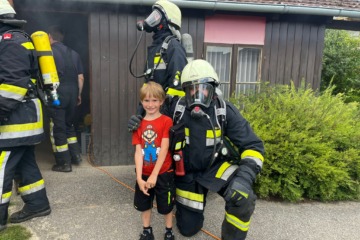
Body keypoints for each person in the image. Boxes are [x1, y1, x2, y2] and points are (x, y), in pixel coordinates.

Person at [0, 0, 51, 231]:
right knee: (25, 164)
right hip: (22, 118)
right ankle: (38, 205)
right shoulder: (14, 39)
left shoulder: (10, 42)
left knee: (2, 168)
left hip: (16, 119)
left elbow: (13, 84)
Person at [128, 0, 187, 131]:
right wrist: (139, 116)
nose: (152, 19)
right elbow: (148, 88)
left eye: (157, 15)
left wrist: (160, 119)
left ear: (167, 21)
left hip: (166, 121)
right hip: (154, 117)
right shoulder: (156, 48)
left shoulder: (173, 47)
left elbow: (177, 90)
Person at [132, 81, 175, 240]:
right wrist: (139, 178)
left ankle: (169, 230)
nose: (150, 104)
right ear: (141, 102)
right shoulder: (138, 124)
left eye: (155, 100)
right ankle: (146, 230)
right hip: (144, 173)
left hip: (163, 172)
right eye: (146, 100)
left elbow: (164, 149)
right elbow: (138, 152)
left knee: (166, 205)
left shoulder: (166, 121)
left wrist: (155, 175)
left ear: (162, 101)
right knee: (144, 203)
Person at [47, 25, 84, 172]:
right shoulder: (74, 53)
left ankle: (64, 163)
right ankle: (76, 157)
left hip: (58, 92)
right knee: (69, 125)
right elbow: (80, 77)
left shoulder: (48, 53)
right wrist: (78, 94)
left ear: (50, 37)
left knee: (58, 128)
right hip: (73, 92)